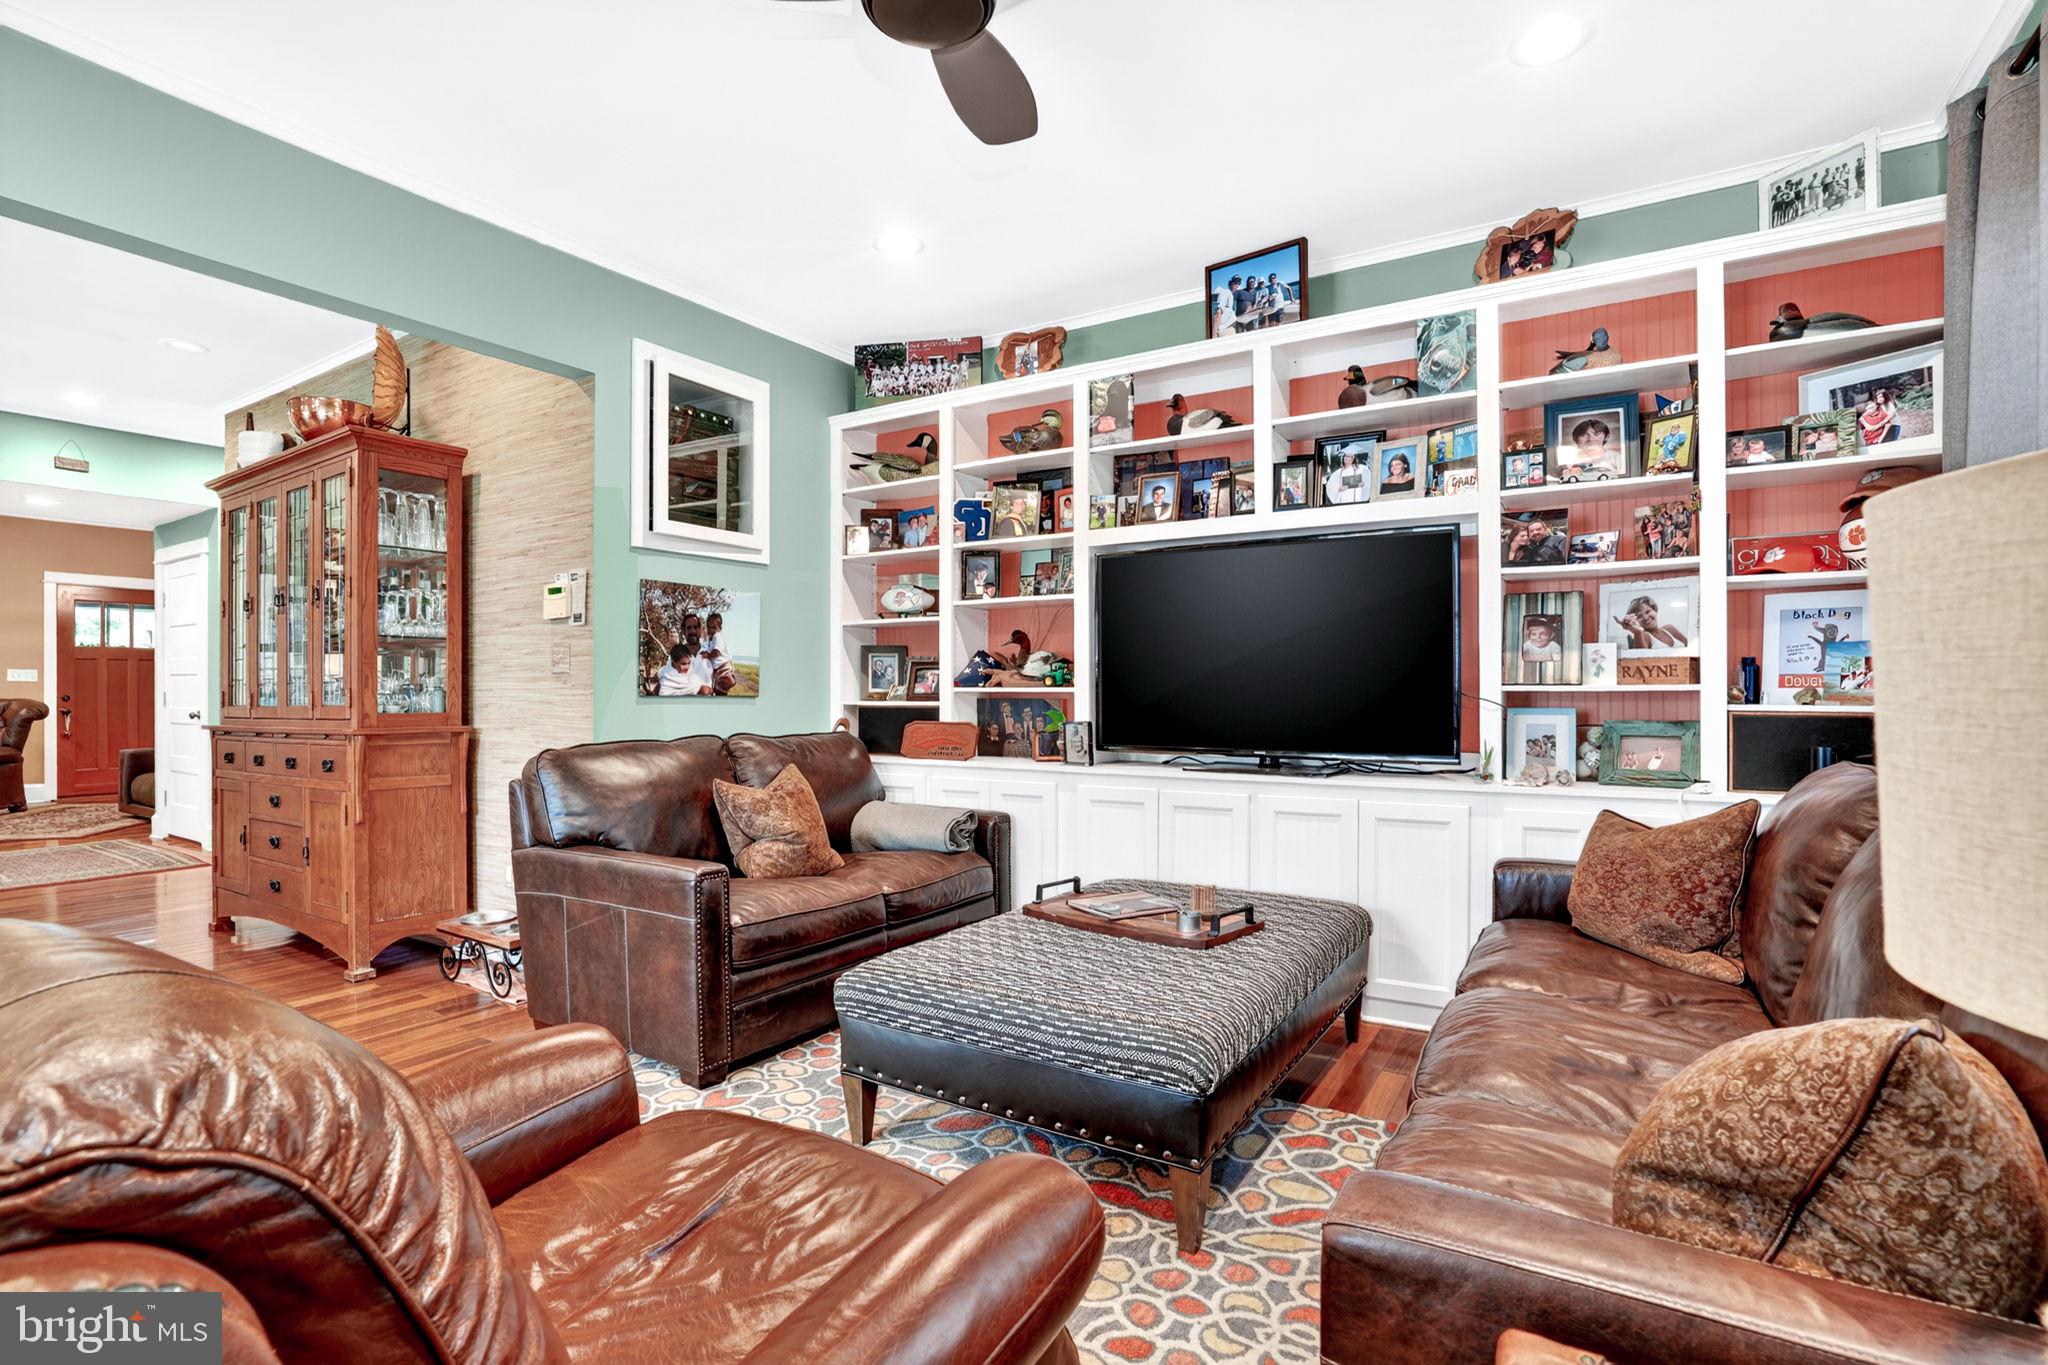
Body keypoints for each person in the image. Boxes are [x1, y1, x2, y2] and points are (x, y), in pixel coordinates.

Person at [1614, 594, 1688, 650]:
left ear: (1654, 610)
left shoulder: (1669, 628)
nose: (1645, 617)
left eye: (1648, 611)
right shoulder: (1645, 636)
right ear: (1635, 621)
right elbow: (1640, 660)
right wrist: (1637, 632)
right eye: (1639, 616)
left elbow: (1689, 646)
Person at [702, 610, 739, 694]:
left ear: (720, 628)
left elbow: (717, 652)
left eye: (714, 627)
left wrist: (708, 655)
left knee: (726, 681)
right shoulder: (710, 640)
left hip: (724, 666)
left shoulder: (718, 636)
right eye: (709, 627)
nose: (711, 630)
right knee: (719, 690)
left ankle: (731, 680)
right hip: (718, 671)